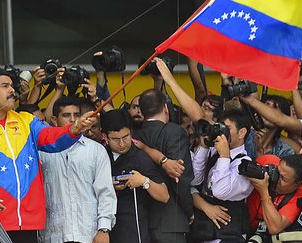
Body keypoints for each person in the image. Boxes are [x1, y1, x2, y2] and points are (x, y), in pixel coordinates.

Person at [0, 69, 96, 243]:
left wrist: (76, 128)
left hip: (27, 224)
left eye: (12, 86)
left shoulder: (26, 121)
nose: (12, 90)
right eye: (5, 86)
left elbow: (52, 139)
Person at [39, 96, 116, 243]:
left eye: (76, 115)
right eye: (67, 115)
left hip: (89, 235)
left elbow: (105, 192)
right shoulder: (42, 151)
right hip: (53, 235)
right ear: (54, 120)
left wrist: (104, 229)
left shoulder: (96, 150)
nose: (73, 119)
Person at [134, 89, 194, 243]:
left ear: (141, 112)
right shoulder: (174, 132)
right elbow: (180, 178)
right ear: (166, 108)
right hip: (170, 220)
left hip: (139, 220)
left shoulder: (134, 136)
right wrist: (188, 210)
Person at [101, 109, 169, 243]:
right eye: (115, 139)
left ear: (131, 132)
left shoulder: (140, 158)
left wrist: (144, 181)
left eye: (125, 137)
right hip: (103, 229)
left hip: (132, 229)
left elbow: (164, 195)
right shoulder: (99, 155)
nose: (122, 143)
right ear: (104, 136)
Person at [190, 110, 253, 243]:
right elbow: (194, 179)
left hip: (228, 236)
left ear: (242, 132)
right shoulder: (214, 152)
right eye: (219, 128)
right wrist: (204, 146)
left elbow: (220, 191)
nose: (221, 132)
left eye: (227, 128)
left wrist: (224, 156)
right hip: (203, 233)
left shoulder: (245, 164)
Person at [246, 154, 302, 242]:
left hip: (263, 235)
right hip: (238, 219)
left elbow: (275, 227)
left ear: (296, 185)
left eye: (283, 178)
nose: (276, 177)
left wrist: (264, 193)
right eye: (277, 171)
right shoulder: (268, 160)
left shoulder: (299, 196)